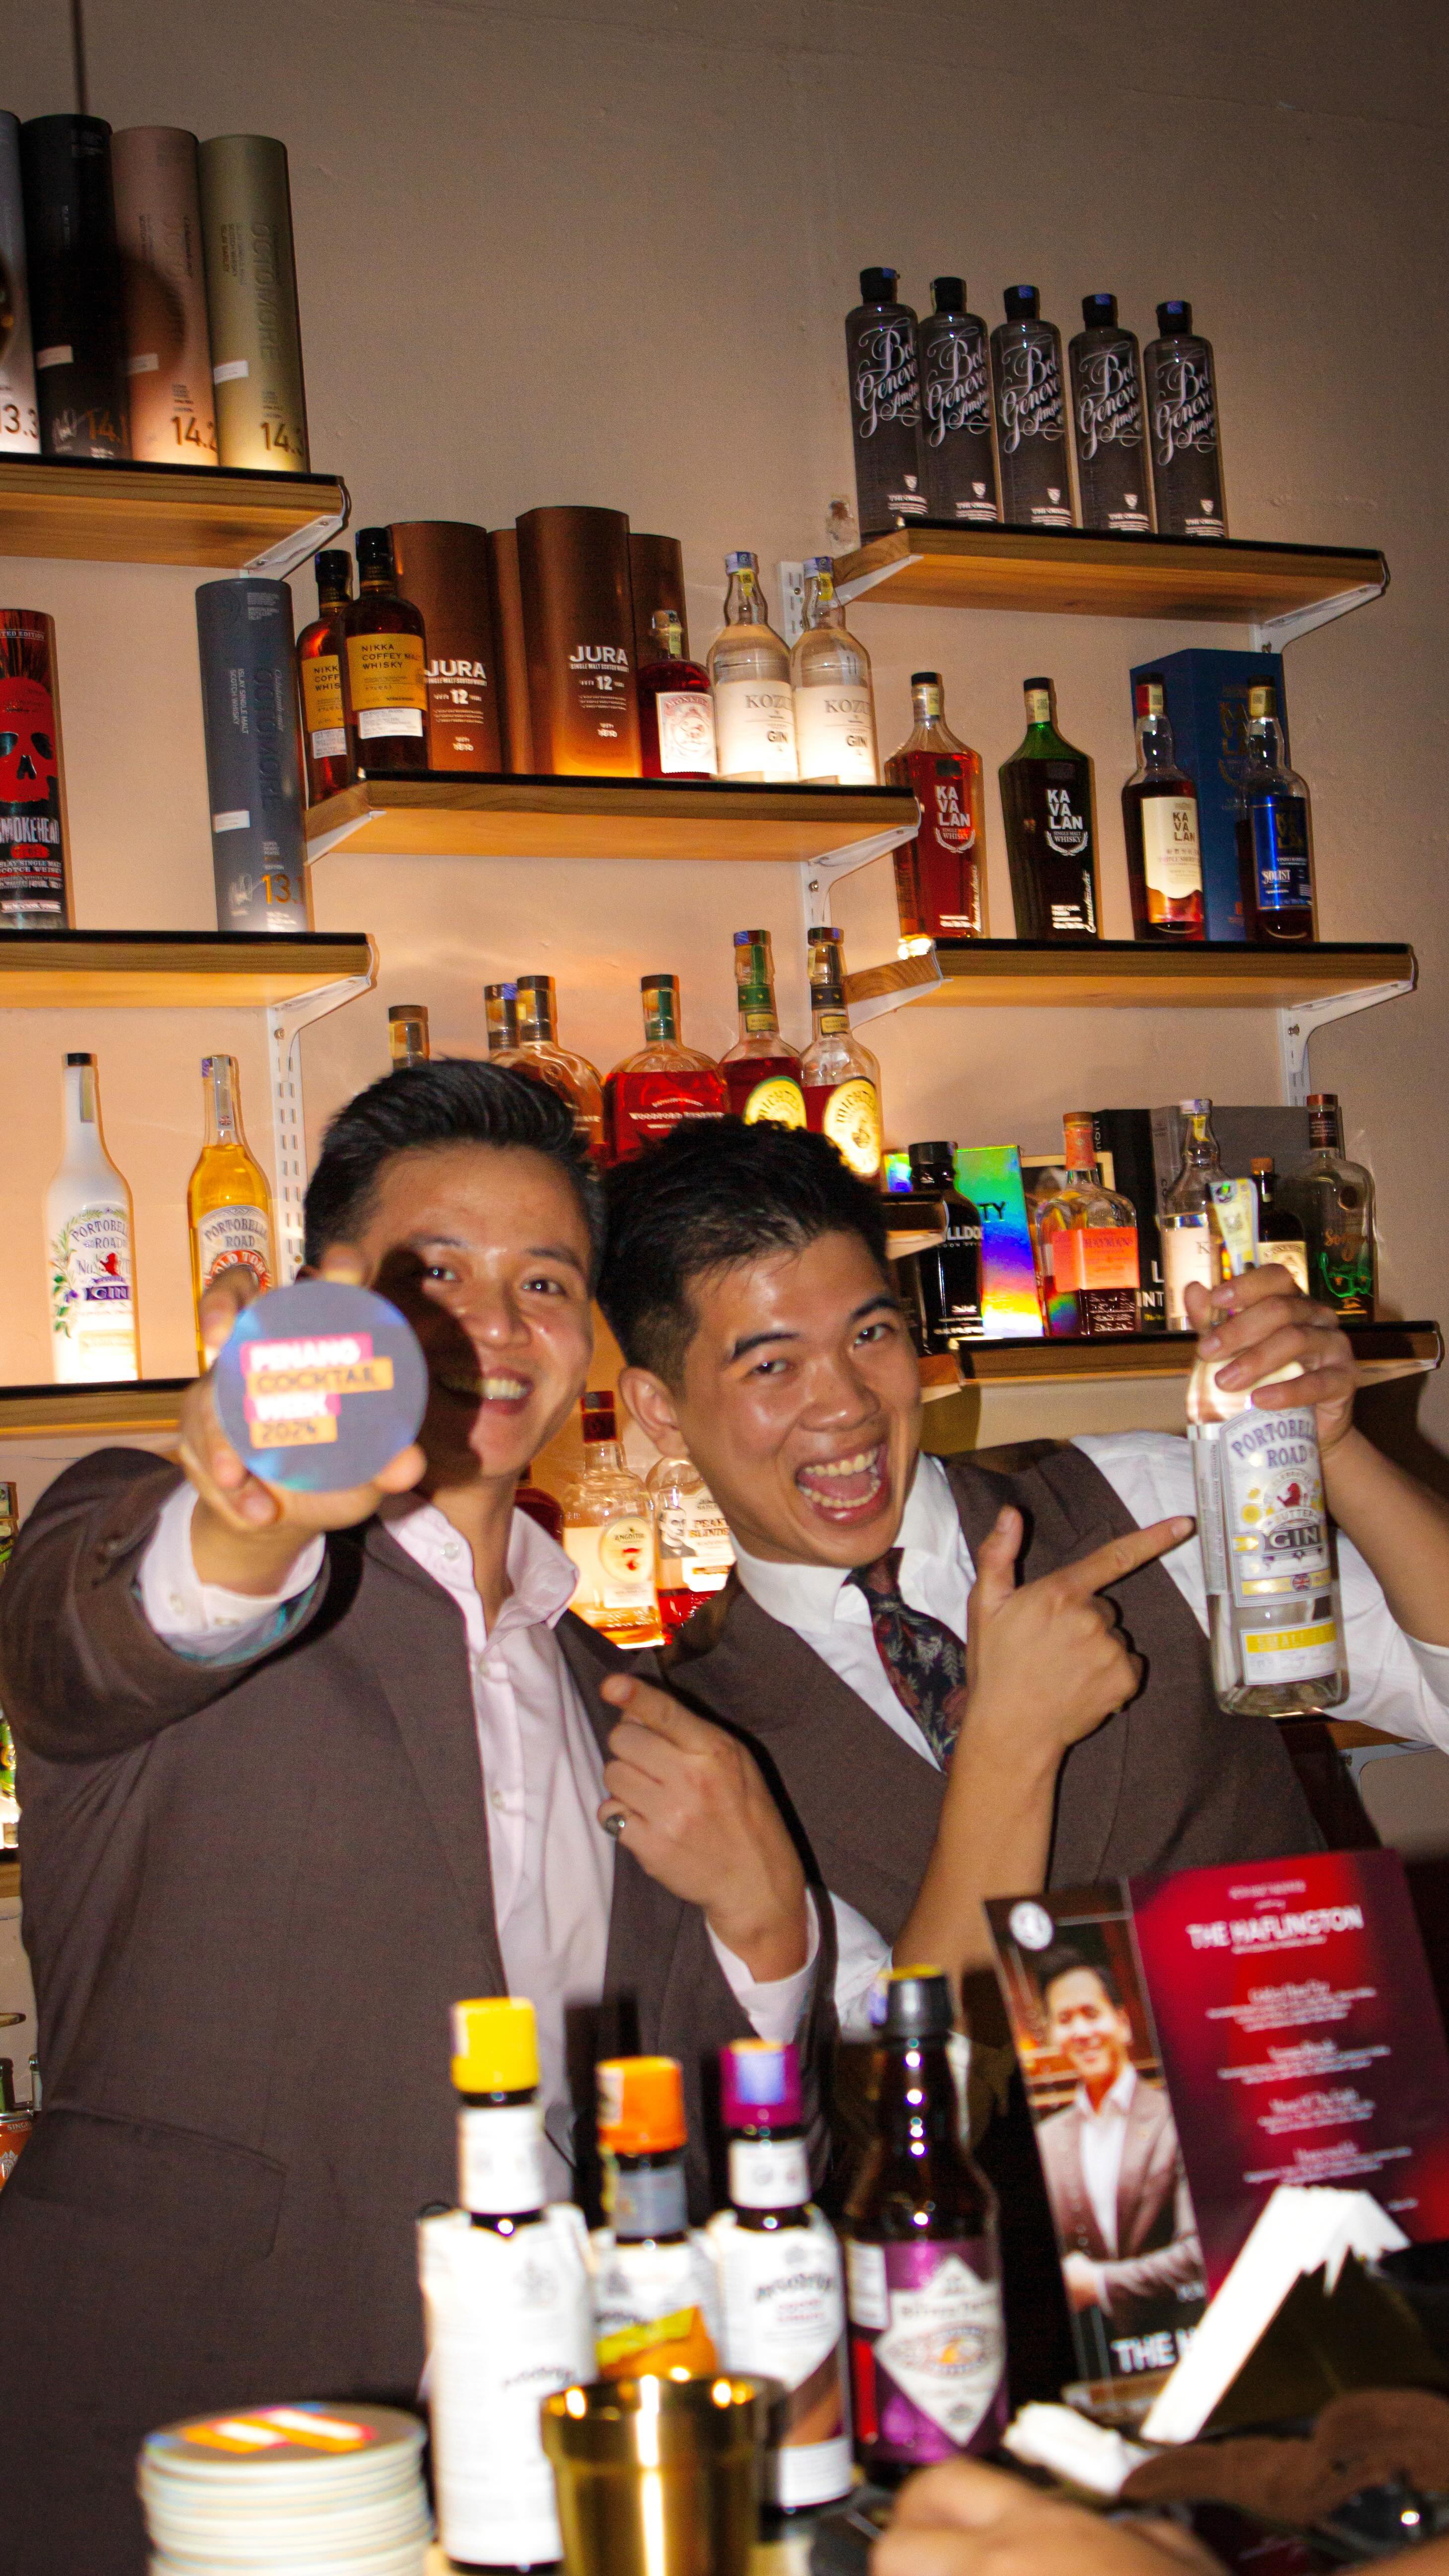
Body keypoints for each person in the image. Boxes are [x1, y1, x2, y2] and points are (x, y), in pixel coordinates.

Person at [0, 1063, 824, 2576]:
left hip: (540, 2483)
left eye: (544, 1283)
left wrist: (769, 1926)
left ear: (586, 1339)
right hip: (191, 2445)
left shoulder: (625, 1705)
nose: (489, 1325)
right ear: (332, 1295)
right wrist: (249, 1515)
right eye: (431, 1273)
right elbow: (88, 1649)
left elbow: (721, 2157)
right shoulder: (177, 1543)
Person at [597, 1120, 1449, 2007]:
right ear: (660, 1410)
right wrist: (1011, 1744)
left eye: (870, 1334)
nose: (845, 1404)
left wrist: (1336, 1447)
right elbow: (891, 2063)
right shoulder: (693, 1741)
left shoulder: (1138, 1495)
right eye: (773, 1364)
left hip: (1308, 2075)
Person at [1031, 1946, 1202, 2343]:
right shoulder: (1045, 2141)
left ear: (1122, 2023)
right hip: (1090, 2350)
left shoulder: (1178, 2119)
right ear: (1054, 2036)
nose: (1081, 2032)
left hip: (1185, 2339)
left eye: (1092, 2014)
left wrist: (1100, 2284)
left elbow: (1199, 2254)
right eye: (1065, 2020)